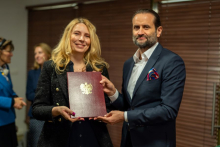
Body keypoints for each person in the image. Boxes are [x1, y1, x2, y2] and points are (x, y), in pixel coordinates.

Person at [97, 9, 186, 147]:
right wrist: (112, 92)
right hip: (128, 141)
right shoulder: (128, 64)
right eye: (136, 27)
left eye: (146, 27)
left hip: (155, 142)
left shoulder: (171, 61)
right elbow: (131, 106)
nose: (140, 32)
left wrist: (124, 117)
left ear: (159, 31)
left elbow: (168, 110)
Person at [32, 18, 113, 147]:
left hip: (92, 136)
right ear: (68, 36)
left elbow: (108, 105)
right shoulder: (51, 67)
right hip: (59, 138)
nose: (81, 39)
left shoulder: (99, 68)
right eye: (77, 33)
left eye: (87, 36)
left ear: (91, 41)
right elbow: (36, 109)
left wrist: (102, 113)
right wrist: (57, 110)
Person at [0, 37, 26, 147]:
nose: (11, 54)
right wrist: (12, 102)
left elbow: (9, 89)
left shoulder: (6, 68)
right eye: (9, 51)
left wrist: (15, 97)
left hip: (9, 119)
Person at [26, 43, 52, 147]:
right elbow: (29, 95)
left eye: (40, 52)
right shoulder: (32, 73)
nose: (37, 55)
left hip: (52, 114)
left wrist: (40, 94)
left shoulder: (55, 72)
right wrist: (46, 95)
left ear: (48, 54)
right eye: (35, 53)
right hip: (35, 116)